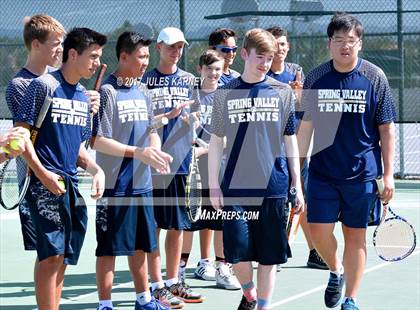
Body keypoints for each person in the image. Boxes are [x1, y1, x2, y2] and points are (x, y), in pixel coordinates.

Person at [298, 12, 396, 310]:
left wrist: (389, 174)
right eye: (339, 40)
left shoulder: (375, 77)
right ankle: (335, 269)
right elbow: (305, 128)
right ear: (329, 44)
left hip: (362, 175)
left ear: (360, 44)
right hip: (322, 174)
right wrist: (297, 170)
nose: (345, 46)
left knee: (356, 236)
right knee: (318, 231)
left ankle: (351, 299)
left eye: (350, 41)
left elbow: (386, 128)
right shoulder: (316, 77)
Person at [208, 28, 304, 310]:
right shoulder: (225, 92)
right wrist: (214, 184)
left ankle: (262, 305)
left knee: (269, 257)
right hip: (235, 188)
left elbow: (290, 141)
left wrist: (296, 183)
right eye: (259, 56)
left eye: (270, 58)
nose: (264, 63)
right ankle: (249, 293)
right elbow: (216, 143)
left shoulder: (282, 91)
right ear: (246, 54)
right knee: (236, 253)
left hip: (273, 186)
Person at [14, 27, 107, 310]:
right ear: (73, 54)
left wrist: (96, 170)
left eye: (99, 57)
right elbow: (20, 138)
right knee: (51, 254)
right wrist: (44, 175)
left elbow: (77, 147)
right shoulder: (43, 86)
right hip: (42, 183)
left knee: (64, 256)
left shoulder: (82, 96)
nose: (96, 63)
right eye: (92, 56)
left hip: (69, 184)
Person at [92, 31, 172, 310]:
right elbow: (97, 139)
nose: (144, 62)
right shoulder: (108, 92)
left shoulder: (143, 90)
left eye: (147, 56)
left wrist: (155, 149)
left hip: (143, 184)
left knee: (142, 244)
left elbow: (151, 130)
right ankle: (105, 305)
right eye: (140, 56)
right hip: (115, 186)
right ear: (123, 56)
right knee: (109, 248)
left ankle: (144, 300)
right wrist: (138, 152)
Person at [142, 27, 204, 308]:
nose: (176, 51)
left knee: (177, 226)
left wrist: (193, 120)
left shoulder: (190, 80)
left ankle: (173, 281)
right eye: (171, 46)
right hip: (152, 165)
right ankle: (154, 285)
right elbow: (141, 124)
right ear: (159, 47)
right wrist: (168, 116)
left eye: (180, 46)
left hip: (181, 163)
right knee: (153, 226)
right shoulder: (145, 80)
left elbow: (196, 117)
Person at [266, 26, 327, 270]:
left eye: (282, 43)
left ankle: (314, 252)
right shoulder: (261, 74)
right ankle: (274, 250)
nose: (279, 48)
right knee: (275, 204)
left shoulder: (296, 72)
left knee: (303, 202)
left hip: (295, 149)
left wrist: (298, 96)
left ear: (288, 46)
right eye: (274, 44)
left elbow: (304, 108)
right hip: (269, 150)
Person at [179, 50, 241, 290]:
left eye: (218, 69)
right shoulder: (190, 96)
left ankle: (222, 269)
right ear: (200, 69)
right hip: (193, 166)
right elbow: (183, 130)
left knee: (219, 219)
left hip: (217, 164)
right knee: (190, 220)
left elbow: (229, 136)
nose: (214, 73)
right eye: (209, 69)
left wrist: (204, 150)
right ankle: (180, 270)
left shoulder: (225, 97)